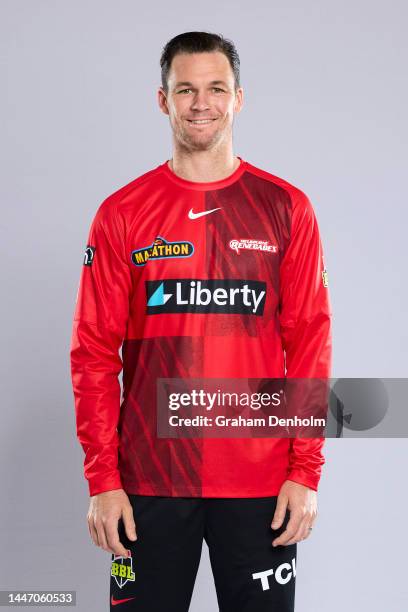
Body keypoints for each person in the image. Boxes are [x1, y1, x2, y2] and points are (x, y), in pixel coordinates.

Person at [70, 31, 332, 612]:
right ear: (162, 100)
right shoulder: (122, 213)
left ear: (240, 98)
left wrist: (305, 471)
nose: (200, 103)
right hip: (148, 484)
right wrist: (103, 481)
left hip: (261, 484)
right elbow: (92, 352)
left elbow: (310, 344)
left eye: (216, 88)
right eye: (184, 89)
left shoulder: (287, 208)